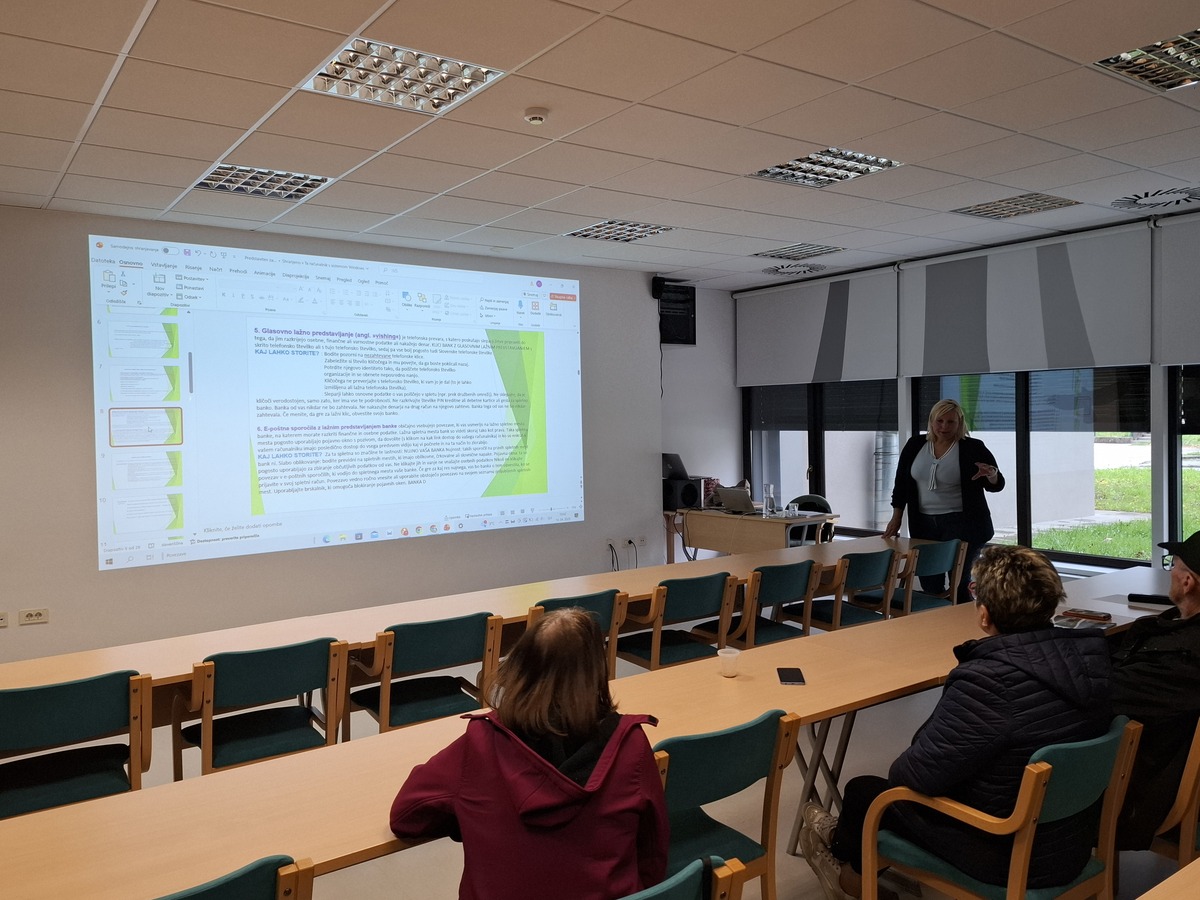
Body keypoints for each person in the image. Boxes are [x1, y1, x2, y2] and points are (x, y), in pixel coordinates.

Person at [799, 545, 1113, 900]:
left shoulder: (989, 683)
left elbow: (912, 777)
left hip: (1008, 853)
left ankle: (849, 874)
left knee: (866, 792)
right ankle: (844, 843)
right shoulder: (1091, 662)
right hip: (1070, 841)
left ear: (984, 615)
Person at [388, 607, 669, 900]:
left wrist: (472, 817)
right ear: (597, 671)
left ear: (519, 666)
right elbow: (653, 855)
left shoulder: (481, 743)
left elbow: (405, 816)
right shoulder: (631, 746)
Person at [1110, 531, 1200, 850]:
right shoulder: (1178, 638)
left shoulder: (1179, 659)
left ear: (1187, 582)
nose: (1170, 571)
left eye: (1173, 564)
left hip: (1142, 794)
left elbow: (1105, 694)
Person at [883, 398, 1005, 603]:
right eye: (939, 421)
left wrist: (992, 475)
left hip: (964, 524)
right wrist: (896, 517)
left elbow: (996, 484)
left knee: (960, 584)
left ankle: (963, 620)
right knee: (930, 583)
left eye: (951, 422)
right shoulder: (915, 445)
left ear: (960, 423)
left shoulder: (972, 447)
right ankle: (937, 620)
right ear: (931, 421)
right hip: (924, 524)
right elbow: (901, 484)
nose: (944, 427)